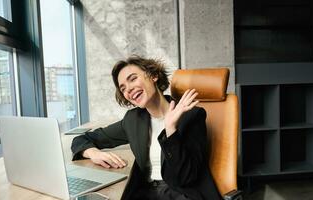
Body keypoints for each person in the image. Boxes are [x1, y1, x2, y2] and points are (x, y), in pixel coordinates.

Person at [71, 55, 222, 200]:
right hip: (146, 193)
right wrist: (93, 153)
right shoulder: (133, 120)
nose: (128, 89)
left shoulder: (191, 116)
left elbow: (184, 177)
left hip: (181, 193)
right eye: (123, 88)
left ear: (153, 75)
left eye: (133, 79)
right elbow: (83, 139)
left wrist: (170, 129)